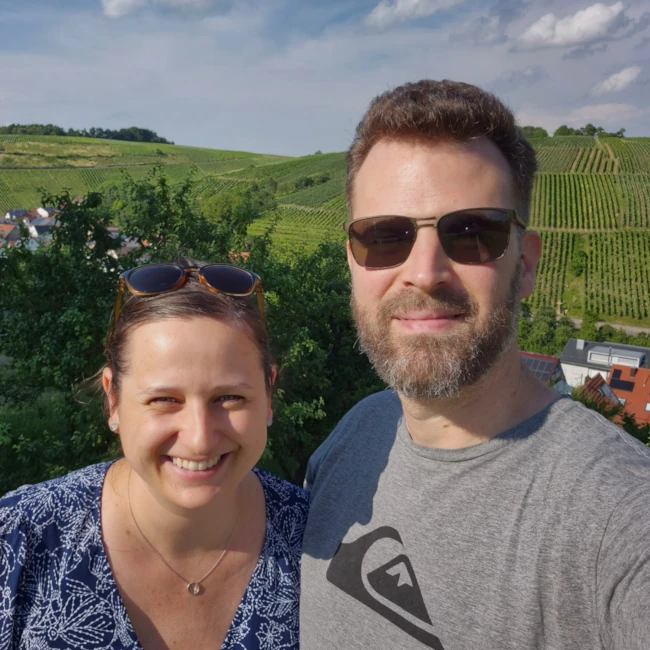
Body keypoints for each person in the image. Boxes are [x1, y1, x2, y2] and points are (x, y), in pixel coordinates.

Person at [300, 80, 650, 650]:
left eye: (472, 232)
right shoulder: (354, 435)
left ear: (527, 264)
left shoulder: (617, 514)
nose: (425, 271)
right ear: (353, 262)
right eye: (385, 237)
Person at [0, 260, 308, 649]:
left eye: (229, 397)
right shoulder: (18, 539)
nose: (199, 439)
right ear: (113, 399)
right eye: (164, 399)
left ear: (268, 394)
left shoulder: (323, 544)